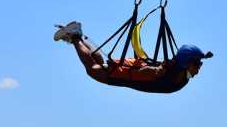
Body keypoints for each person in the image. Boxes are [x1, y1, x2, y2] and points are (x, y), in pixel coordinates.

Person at [54, 21, 211, 93]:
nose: (199, 68)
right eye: (198, 64)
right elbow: (148, 73)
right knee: (93, 69)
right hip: (125, 76)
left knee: (99, 63)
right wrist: (155, 71)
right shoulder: (171, 72)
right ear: (186, 63)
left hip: (129, 72)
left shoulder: (179, 73)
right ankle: (75, 37)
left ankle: (77, 34)